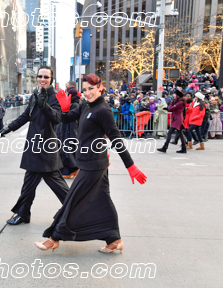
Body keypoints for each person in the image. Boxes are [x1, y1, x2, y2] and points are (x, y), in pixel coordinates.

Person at [35, 74, 147, 253]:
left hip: (93, 165)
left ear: (100, 87)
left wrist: (130, 166)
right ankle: (115, 240)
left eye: (91, 89)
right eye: (85, 89)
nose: (87, 93)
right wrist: (62, 109)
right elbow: (65, 119)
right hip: (90, 163)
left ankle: (54, 238)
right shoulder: (85, 105)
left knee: (72, 201)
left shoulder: (103, 110)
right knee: (103, 201)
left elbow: (116, 139)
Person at [0, 66, 69, 225]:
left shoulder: (55, 97)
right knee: (28, 185)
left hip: (46, 149)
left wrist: (44, 105)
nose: (42, 79)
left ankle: (80, 212)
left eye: (46, 77)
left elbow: (57, 118)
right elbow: (26, 116)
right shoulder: (35, 95)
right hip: (33, 146)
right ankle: (23, 214)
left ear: (51, 79)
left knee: (60, 188)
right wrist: (8, 128)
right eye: (40, 76)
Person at [56, 82, 80, 179]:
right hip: (67, 131)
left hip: (69, 132)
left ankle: (74, 169)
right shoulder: (73, 104)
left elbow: (73, 122)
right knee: (65, 151)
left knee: (68, 151)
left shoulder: (74, 105)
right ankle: (68, 171)